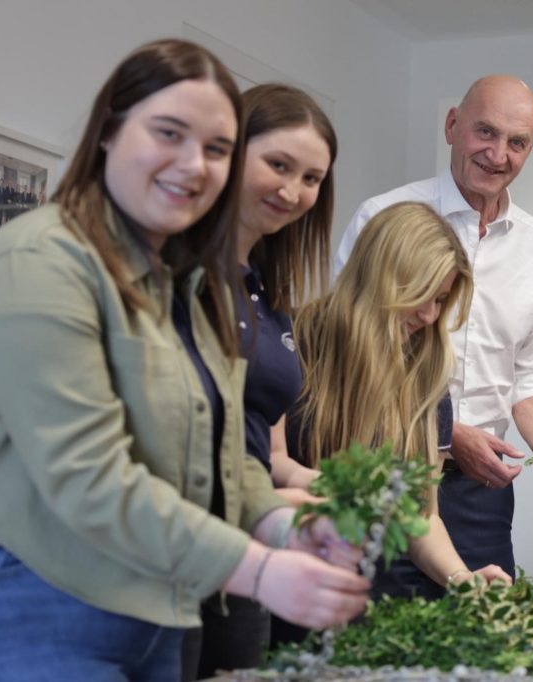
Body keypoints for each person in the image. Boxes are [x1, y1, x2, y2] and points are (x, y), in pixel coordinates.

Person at [0, 38, 369, 681]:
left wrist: (285, 526)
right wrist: (259, 569)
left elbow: (223, 456)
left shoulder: (184, 287)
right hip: (27, 599)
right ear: (110, 130)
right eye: (169, 133)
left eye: (216, 149)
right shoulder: (41, 263)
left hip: (157, 607)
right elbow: (89, 478)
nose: (193, 165)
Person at [334, 75, 533, 580]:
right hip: (383, 470)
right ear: (452, 125)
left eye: (517, 142)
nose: (498, 154)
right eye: (485, 132)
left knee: (485, 614)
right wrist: (447, 434)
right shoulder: (384, 218)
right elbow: (350, 351)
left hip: (482, 494)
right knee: (378, 618)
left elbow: (530, 373)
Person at [183, 83, 337, 680]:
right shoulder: (180, 279)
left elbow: (262, 455)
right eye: (278, 165)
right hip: (174, 543)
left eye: (311, 178)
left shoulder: (268, 297)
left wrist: (310, 499)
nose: (292, 191)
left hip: (245, 547)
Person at [293, 201, 513, 596]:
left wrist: (463, 580)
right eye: (422, 294)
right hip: (292, 585)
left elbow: (421, 516)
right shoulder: (293, 347)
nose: (429, 316)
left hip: (380, 598)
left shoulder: (424, 371)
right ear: (382, 277)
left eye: (441, 300)